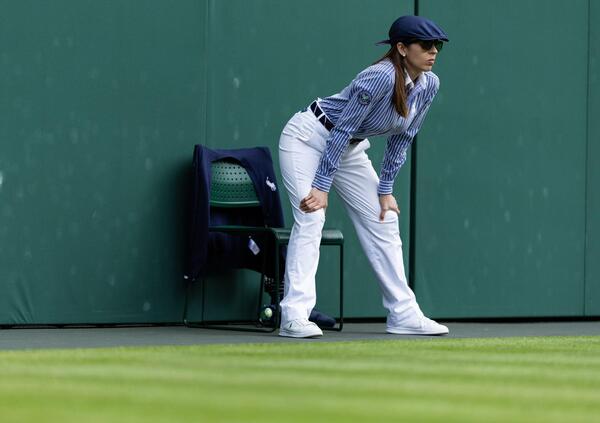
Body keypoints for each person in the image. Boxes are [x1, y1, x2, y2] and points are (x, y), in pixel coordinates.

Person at [277, 16, 450, 338]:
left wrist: (386, 189)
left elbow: (403, 137)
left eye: (437, 45)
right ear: (401, 48)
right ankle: (294, 315)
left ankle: (404, 314)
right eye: (426, 45)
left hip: (349, 150)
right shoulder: (378, 77)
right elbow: (342, 129)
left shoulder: (429, 84)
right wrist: (321, 185)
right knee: (312, 215)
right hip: (308, 139)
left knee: (384, 218)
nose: (433, 51)